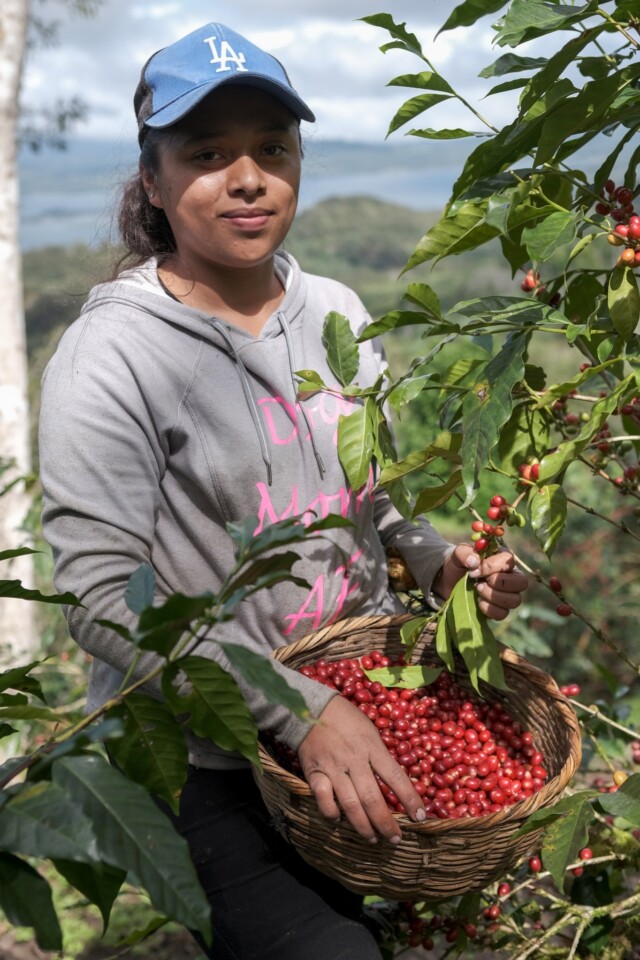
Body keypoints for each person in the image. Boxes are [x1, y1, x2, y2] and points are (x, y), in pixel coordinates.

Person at [38, 21, 529, 960]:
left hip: (360, 707)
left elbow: (370, 503)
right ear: (154, 179)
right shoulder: (111, 357)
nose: (249, 177)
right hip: (209, 758)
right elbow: (102, 598)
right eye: (207, 153)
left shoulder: (338, 313)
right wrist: (293, 708)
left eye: (272, 148)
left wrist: (441, 567)